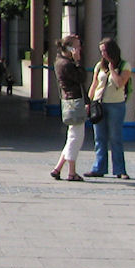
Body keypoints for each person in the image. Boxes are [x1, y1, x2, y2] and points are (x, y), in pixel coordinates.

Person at [85, 38, 132, 179]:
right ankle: (99, 168)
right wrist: (88, 102)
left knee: (115, 137)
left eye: (105, 50)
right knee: (99, 137)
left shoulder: (124, 65)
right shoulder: (99, 66)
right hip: (99, 104)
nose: (103, 54)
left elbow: (120, 83)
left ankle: (120, 170)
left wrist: (112, 70)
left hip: (116, 104)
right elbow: (94, 84)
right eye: (101, 51)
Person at [50, 34, 86, 181]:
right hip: (74, 101)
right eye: (77, 46)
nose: (80, 49)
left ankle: (58, 168)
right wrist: (78, 61)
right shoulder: (67, 65)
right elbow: (81, 77)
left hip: (69, 101)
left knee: (72, 136)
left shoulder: (60, 61)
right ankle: (71, 172)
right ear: (70, 49)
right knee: (76, 137)